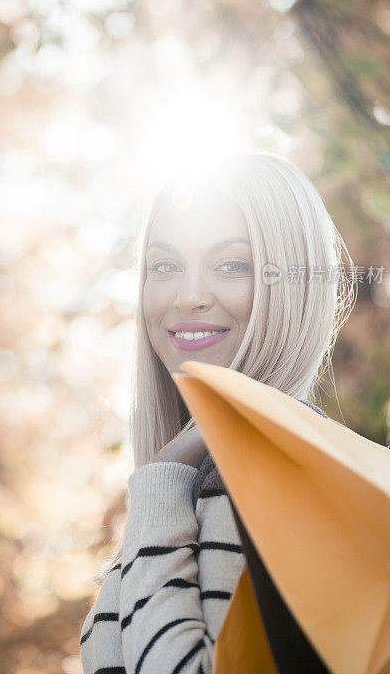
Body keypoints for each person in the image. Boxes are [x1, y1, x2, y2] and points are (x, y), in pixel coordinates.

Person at [79, 148, 356, 674]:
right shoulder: (221, 466)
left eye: (232, 265)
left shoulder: (265, 467)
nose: (189, 296)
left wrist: (162, 478)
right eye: (165, 265)